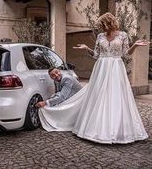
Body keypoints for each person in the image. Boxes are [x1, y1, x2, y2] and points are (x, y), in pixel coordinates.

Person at [38, 12, 149, 144]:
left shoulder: (123, 35)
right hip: (101, 68)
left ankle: (118, 130)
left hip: (116, 68)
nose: (102, 27)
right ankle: (95, 129)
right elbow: (96, 55)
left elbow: (126, 54)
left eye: (103, 24)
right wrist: (87, 48)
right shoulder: (100, 36)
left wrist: (135, 45)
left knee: (116, 96)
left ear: (109, 23)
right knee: (98, 96)